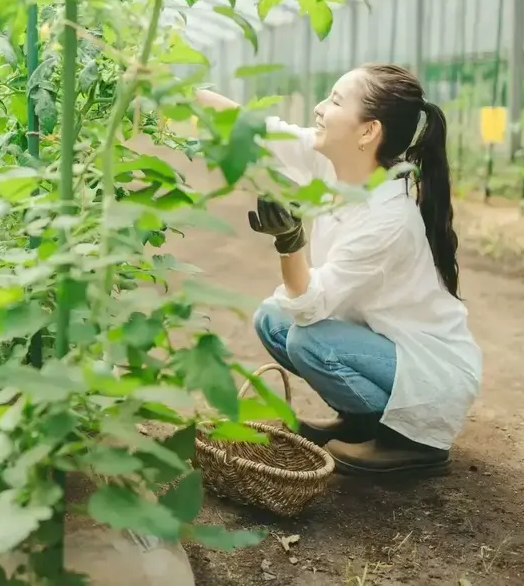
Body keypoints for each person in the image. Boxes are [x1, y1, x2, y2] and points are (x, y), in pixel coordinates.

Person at [195, 64, 481, 476]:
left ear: (368, 132)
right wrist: (179, 91)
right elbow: (254, 128)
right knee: (272, 321)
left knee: (307, 338)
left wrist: (290, 243)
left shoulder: (387, 219)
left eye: (334, 100)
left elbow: (311, 308)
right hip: (385, 347)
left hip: (431, 377)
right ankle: (361, 420)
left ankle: (414, 441)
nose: (318, 107)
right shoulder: (335, 164)